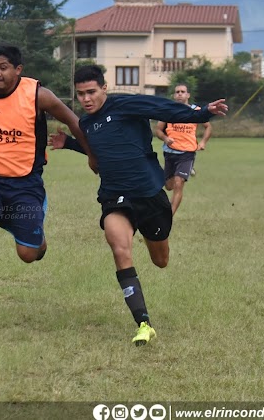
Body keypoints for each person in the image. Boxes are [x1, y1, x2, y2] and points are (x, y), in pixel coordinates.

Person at [48, 65, 227, 346]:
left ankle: (148, 232)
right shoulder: (86, 123)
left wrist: (203, 113)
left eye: (91, 92)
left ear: (104, 88)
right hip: (114, 196)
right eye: (80, 94)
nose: (86, 99)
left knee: (161, 261)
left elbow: (166, 110)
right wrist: (70, 143)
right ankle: (143, 323)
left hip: (149, 194)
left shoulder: (127, 104)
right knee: (120, 248)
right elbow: (100, 149)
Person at [0, 43, 97, 329]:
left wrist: (92, 154)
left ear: (18, 69)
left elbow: (76, 123)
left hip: (25, 185)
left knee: (29, 255)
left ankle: (36, 239)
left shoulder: (39, 95)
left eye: (3, 68)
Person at [155, 83, 213, 216]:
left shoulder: (195, 111)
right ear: (174, 95)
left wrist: (203, 142)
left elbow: (208, 126)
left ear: (188, 95)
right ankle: (188, 169)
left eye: (182, 91)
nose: (180, 94)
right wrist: (165, 138)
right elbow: (158, 130)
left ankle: (169, 216)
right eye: (177, 92)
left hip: (187, 153)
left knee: (178, 182)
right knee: (169, 186)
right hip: (170, 152)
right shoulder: (168, 111)